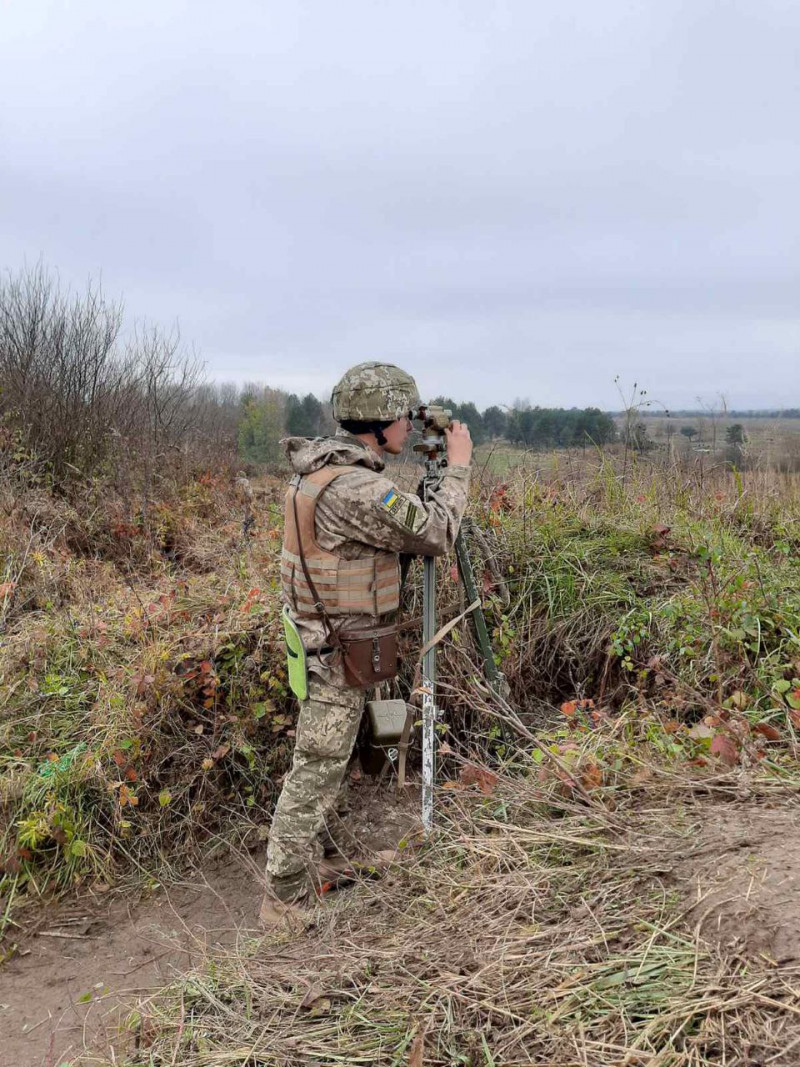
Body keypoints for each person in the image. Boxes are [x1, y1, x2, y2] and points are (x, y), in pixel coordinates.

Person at [260, 361, 473, 927]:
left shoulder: (327, 471)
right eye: (404, 417)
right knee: (318, 764)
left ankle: (322, 857)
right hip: (336, 650)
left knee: (335, 757)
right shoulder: (357, 487)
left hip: (328, 643)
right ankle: (283, 898)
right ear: (378, 424)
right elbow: (434, 532)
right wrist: (457, 470)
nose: (410, 426)